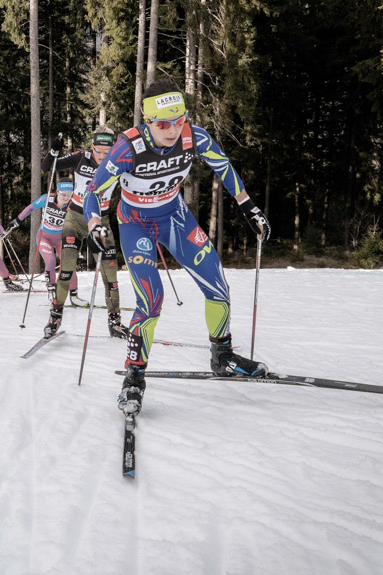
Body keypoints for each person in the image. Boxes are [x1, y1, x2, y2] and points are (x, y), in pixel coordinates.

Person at [83, 78, 271, 416]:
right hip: (135, 223)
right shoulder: (129, 147)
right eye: (164, 123)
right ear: (148, 120)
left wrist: (248, 206)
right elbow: (95, 192)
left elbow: (223, 165)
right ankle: (134, 375)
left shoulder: (193, 136)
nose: (173, 130)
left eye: (180, 119)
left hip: (174, 217)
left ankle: (222, 355)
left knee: (217, 283)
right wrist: (95, 223)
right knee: (151, 299)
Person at [40, 127, 127, 339]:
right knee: (67, 267)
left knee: (111, 275)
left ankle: (114, 321)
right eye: (99, 151)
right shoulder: (81, 157)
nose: (102, 157)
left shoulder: (119, 162)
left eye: (107, 152)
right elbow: (47, 167)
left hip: (101, 220)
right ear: (92, 147)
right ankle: (55, 316)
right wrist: (53, 151)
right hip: (75, 218)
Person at [7, 180, 77, 298]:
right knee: (50, 261)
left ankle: (74, 294)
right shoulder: (46, 199)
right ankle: (51, 288)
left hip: (61, 238)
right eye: (63, 194)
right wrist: (18, 220)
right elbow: (30, 208)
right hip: (44, 237)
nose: (66, 197)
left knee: (70, 264)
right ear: (57, 192)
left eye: (69, 194)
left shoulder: (73, 203)